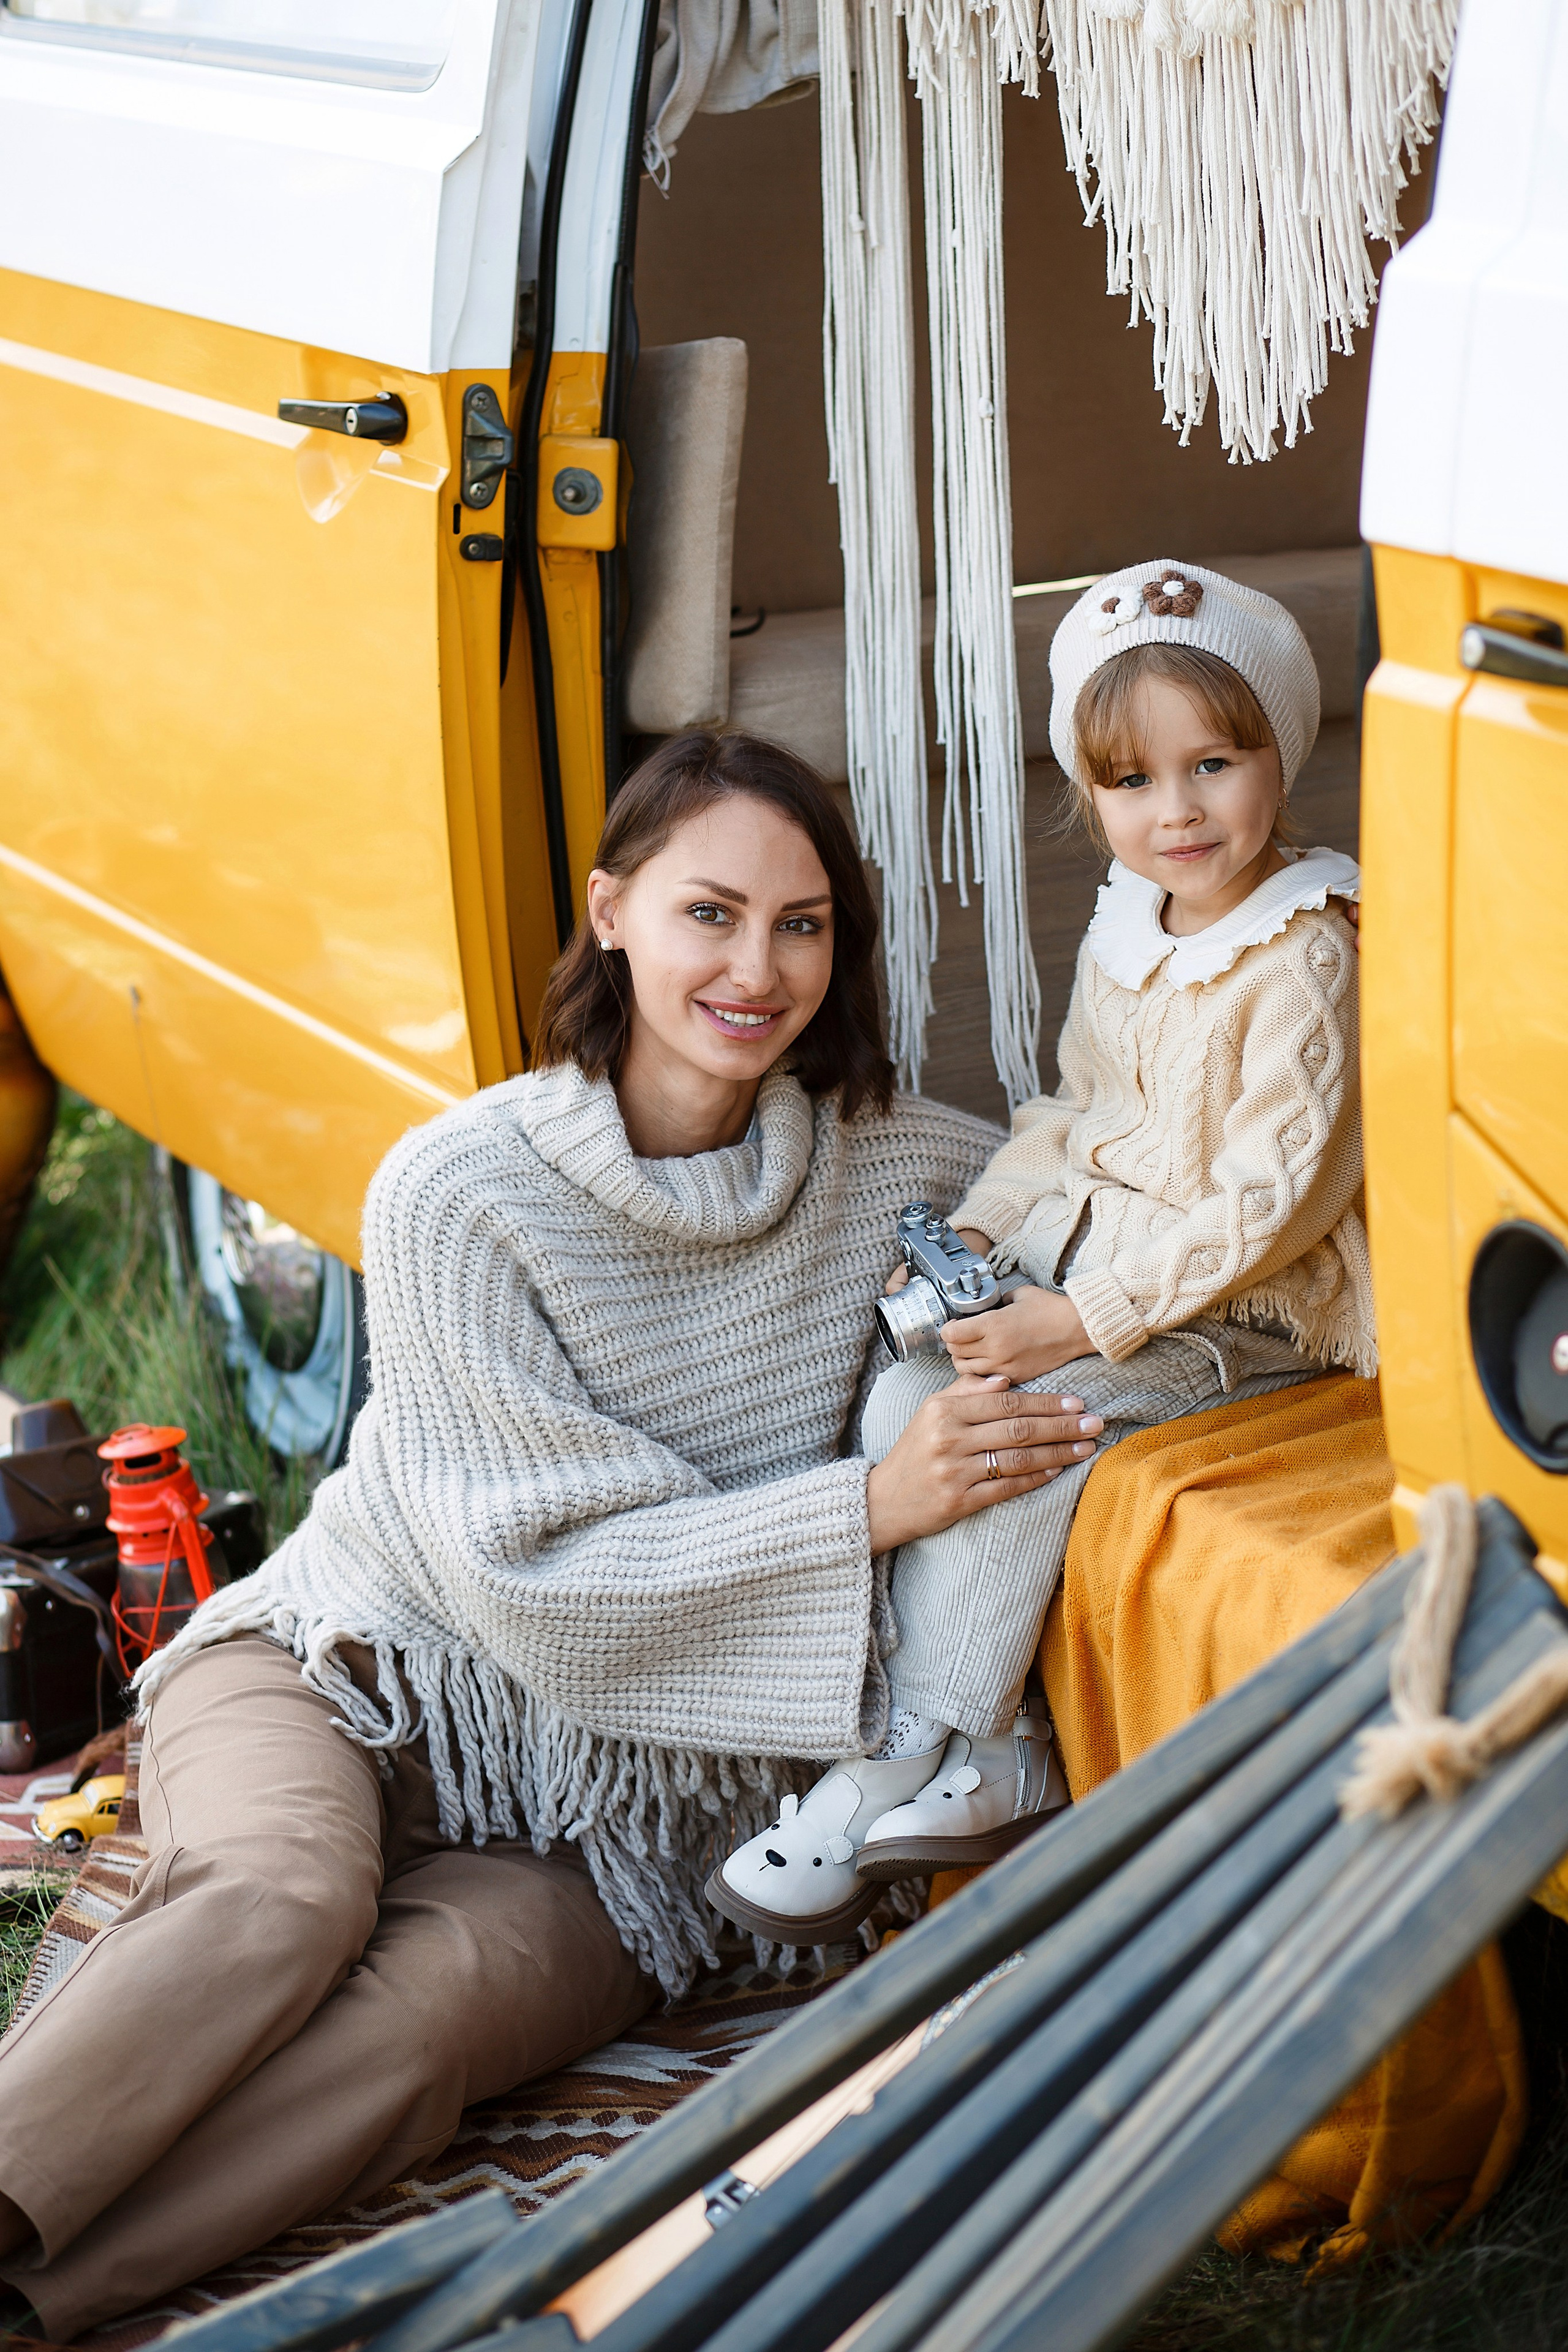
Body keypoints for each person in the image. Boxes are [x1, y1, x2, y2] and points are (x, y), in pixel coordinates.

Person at [0, 730, 1100, 2342]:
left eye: (801, 925)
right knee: (284, 1902)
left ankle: (35, 2302)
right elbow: (535, 1587)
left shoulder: (919, 1177)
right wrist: (871, 1506)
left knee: (425, 2029)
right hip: (365, 1668)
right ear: (609, 912)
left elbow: (1125, 1252)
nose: (757, 969)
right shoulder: (459, 1190)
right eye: (710, 913)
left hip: (647, 1814)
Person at [711, 561, 1373, 1941]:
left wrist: (1073, 1323)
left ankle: (926, 1742)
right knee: (904, 1397)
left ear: (1281, 752)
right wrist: (980, 1229)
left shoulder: (1306, 951)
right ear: (1090, 791)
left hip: (1239, 1315)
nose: (1176, 811)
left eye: (1214, 764)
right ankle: (977, 1739)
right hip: (1096, 1272)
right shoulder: (1129, 924)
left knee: (1020, 1420)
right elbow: (1071, 1113)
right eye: (1132, 781)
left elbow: (1273, 1202)